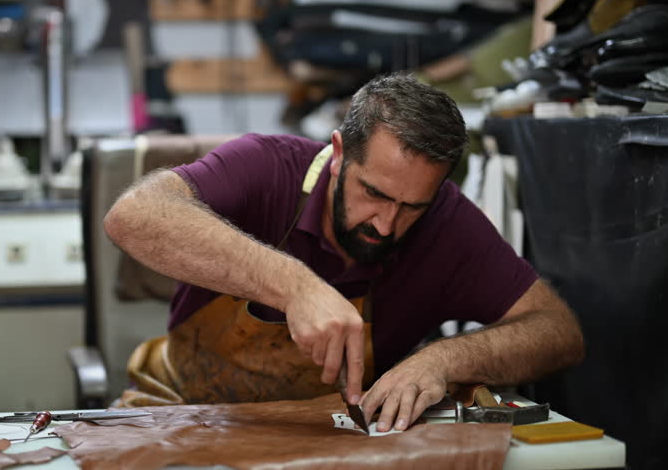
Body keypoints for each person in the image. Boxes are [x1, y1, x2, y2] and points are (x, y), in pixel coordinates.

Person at [104, 73, 584, 433]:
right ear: (338, 153)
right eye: (373, 193)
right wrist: (295, 287)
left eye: (412, 206)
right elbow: (133, 215)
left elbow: (558, 332)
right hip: (179, 412)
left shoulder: (447, 223)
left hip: (323, 435)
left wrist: (441, 360)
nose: (386, 223)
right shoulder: (266, 167)